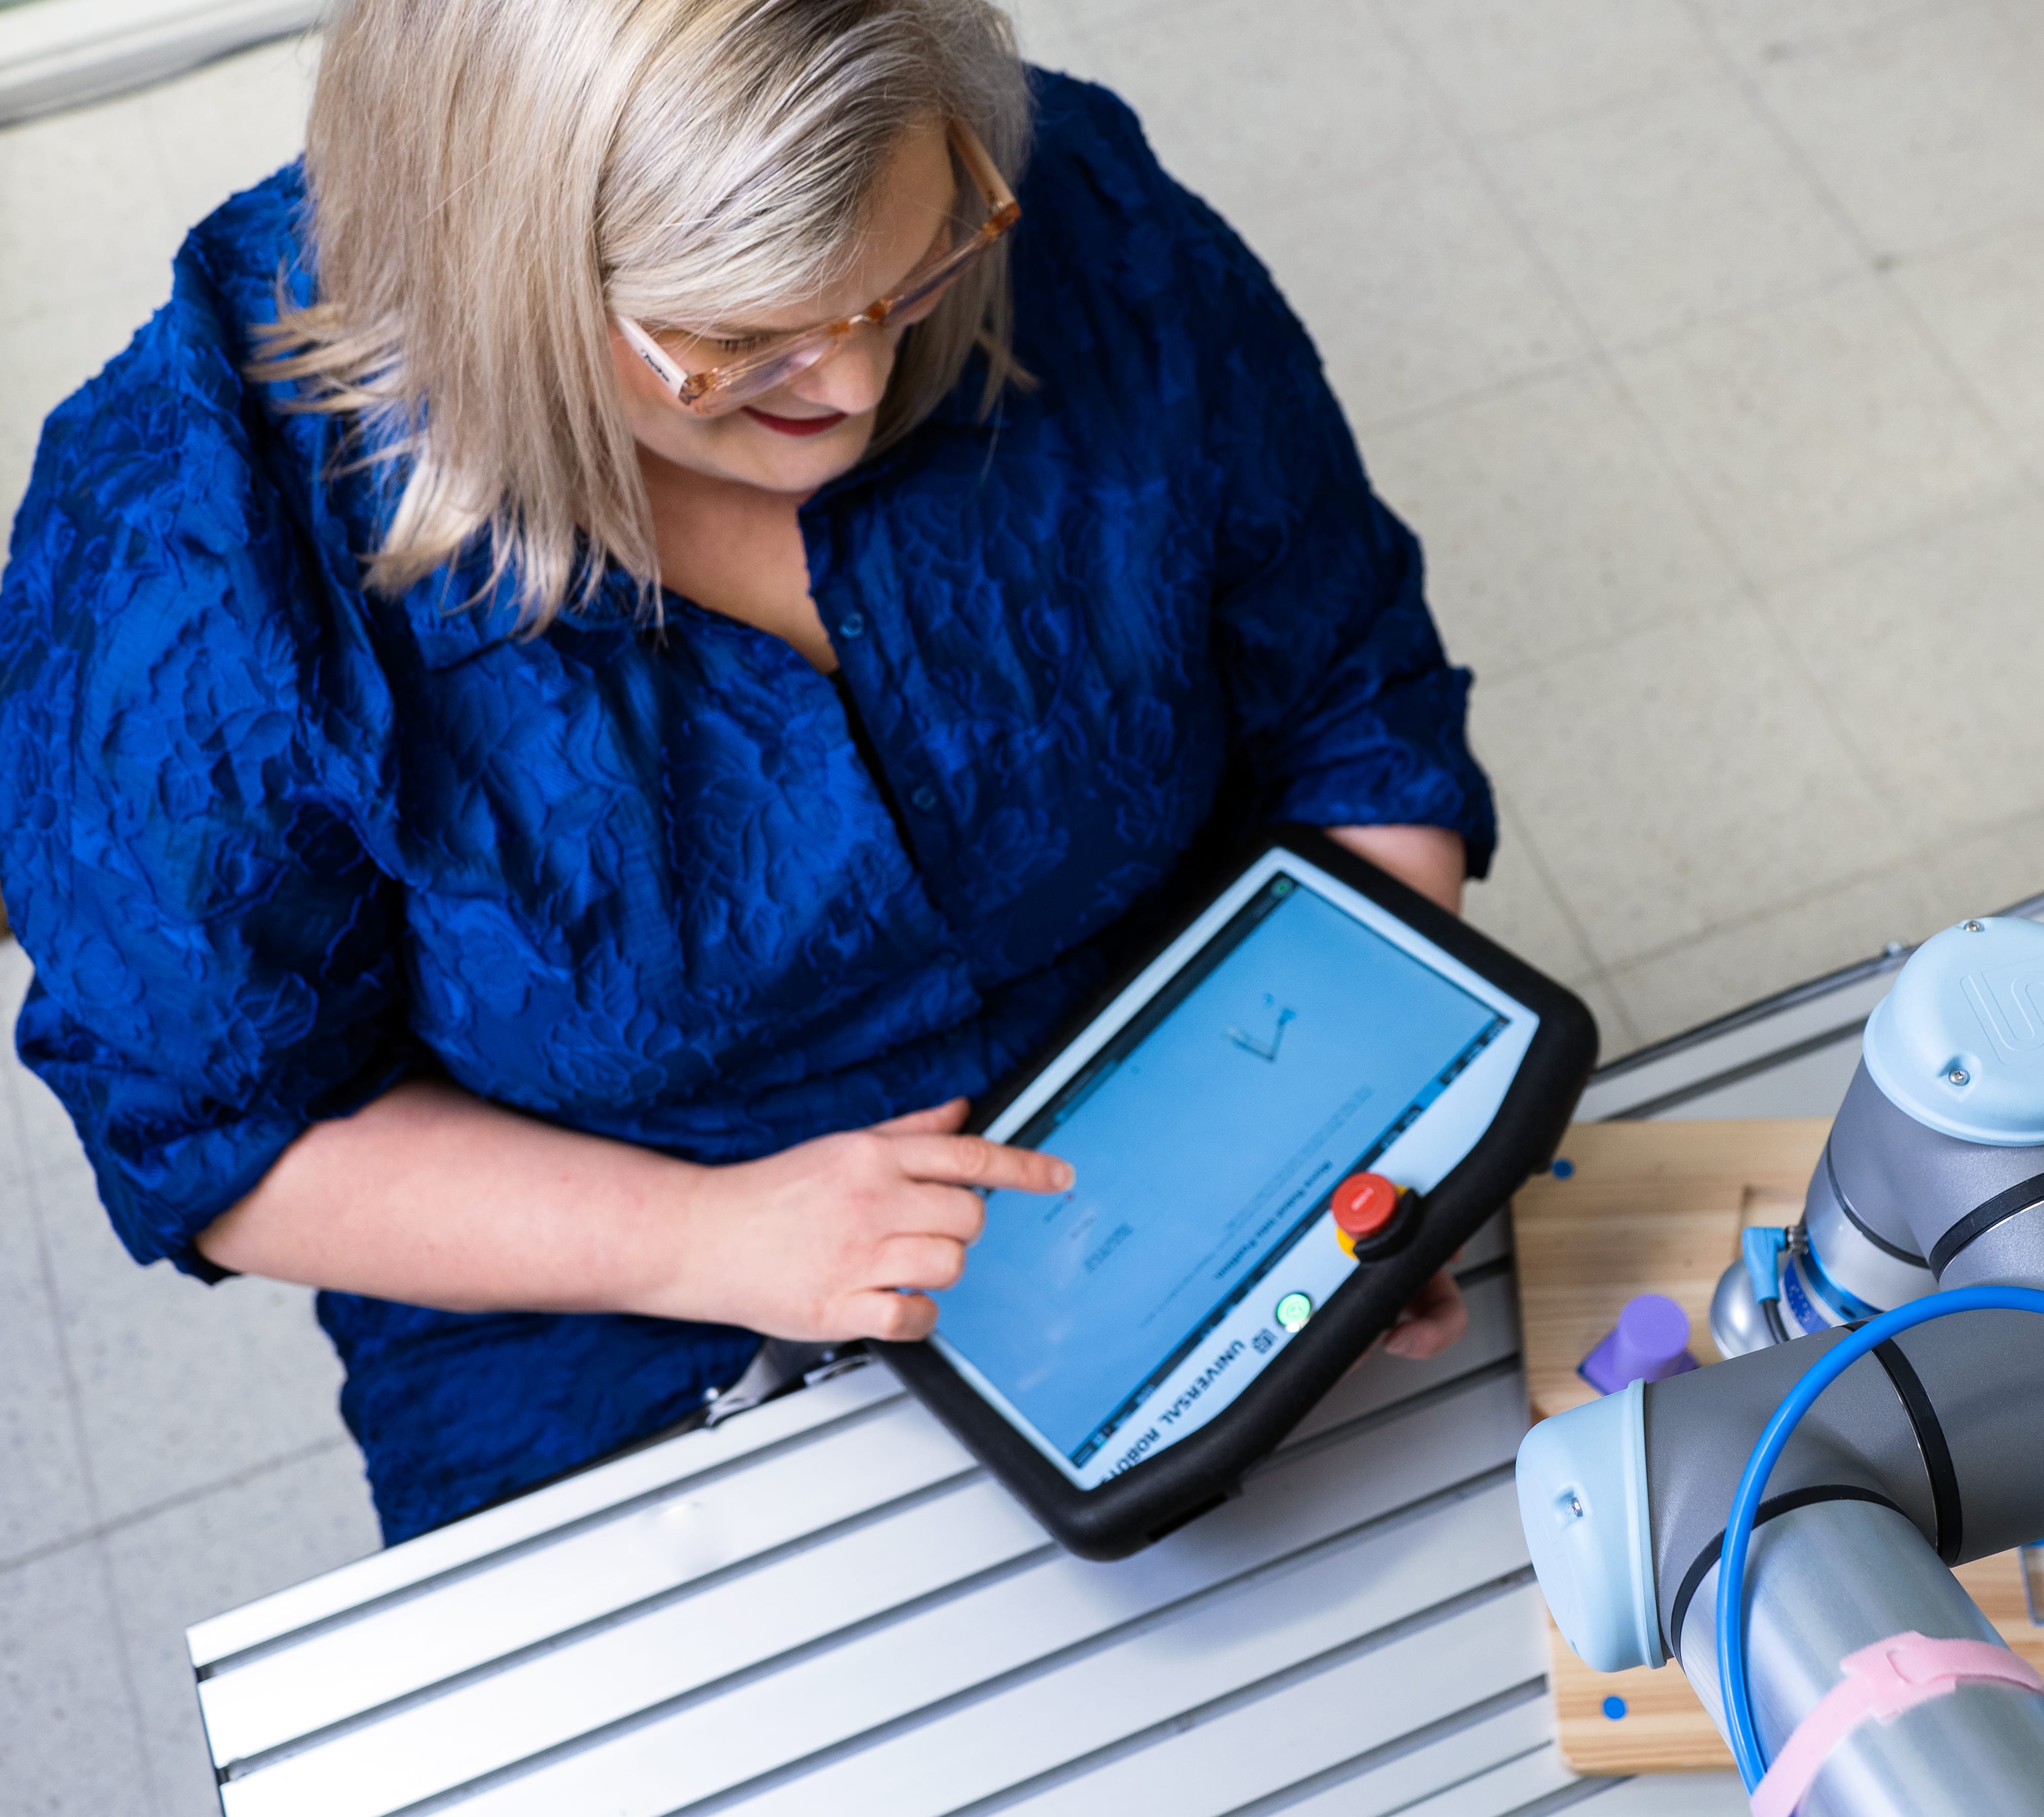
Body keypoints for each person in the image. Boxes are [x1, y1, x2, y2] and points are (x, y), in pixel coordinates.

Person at [0, 0, 1495, 1545]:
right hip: (614, 1281)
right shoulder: (190, 561)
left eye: (909, 284)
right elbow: (221, 1132)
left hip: (1185, 1080)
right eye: (736, 343)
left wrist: (1363, 1117)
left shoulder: (1079, 218)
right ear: (495, 274)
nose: (852, 386)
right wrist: (704, 1239)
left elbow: (1351, 702)